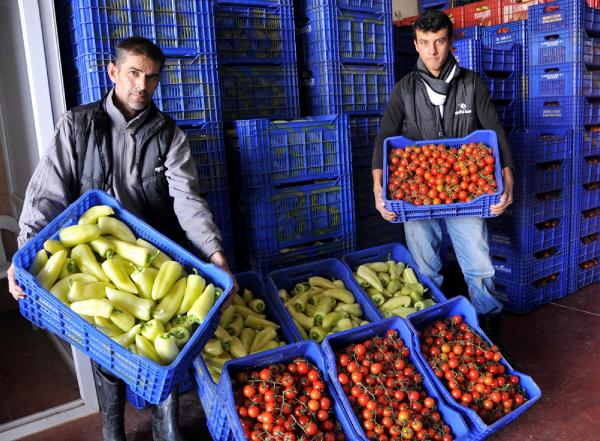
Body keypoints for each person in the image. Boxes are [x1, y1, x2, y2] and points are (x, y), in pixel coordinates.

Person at [7, 37, 237, 441]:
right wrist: (22, 255)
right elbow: (46, 193)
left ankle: (166, 424)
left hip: (154, 252)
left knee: (163, 346)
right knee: (104, 339)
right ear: (113, 72)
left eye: (151, 77)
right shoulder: (77, 125)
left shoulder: (168, 135)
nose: (142, 86)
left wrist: (215, 254)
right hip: (96, 249)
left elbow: (187, 200)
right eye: (133, 73)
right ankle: (112, 426)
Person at [372, 10, 514, 343]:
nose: (432, 51)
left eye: (439, 42)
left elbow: (495, 132)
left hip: (467, 194)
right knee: (425, 269)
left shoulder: (471, 83)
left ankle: (489, 330)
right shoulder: (405, 89)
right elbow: (384, 139)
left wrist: (508, 183)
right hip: (417, 197)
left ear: (450, 42)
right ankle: (432, 332)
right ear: (416, 45)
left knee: (480, 267)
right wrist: (379, 189)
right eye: (424, 43)